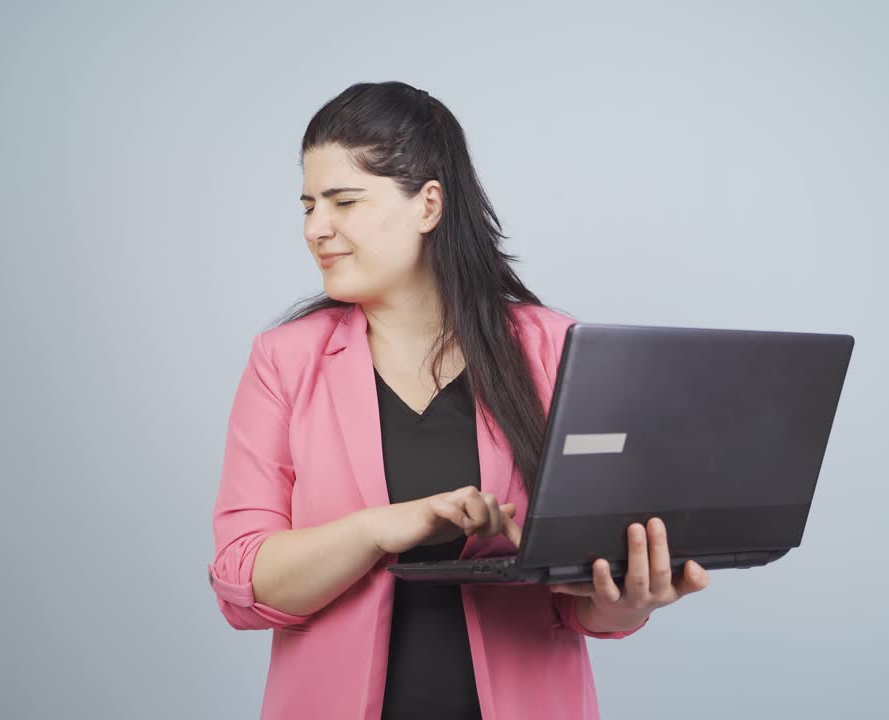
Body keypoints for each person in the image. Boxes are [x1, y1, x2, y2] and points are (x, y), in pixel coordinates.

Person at [207, 81, 709, 720]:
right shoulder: (284, 360)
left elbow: (582, 600)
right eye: (308, 204)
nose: (316, 228)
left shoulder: (553, 349)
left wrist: (630, 595)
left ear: (429, 205)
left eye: (344, 201)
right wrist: (380, 528)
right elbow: (240, 582)